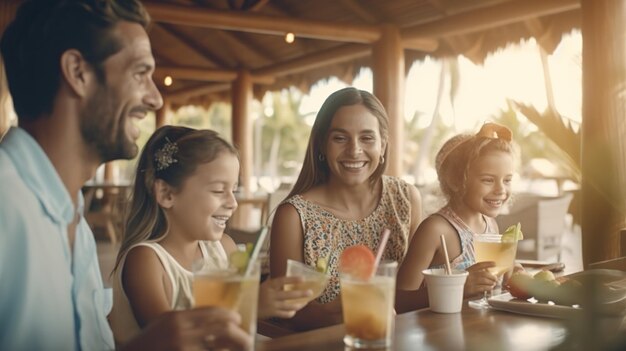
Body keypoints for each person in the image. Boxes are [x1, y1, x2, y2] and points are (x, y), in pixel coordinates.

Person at [0, 1, 250, 350]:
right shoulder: (7, 209)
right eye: (139, 73)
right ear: (77, 72)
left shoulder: (75, 222)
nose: (155, 98)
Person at [109, 125, 311, 345]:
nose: (233, 203)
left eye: (233, 190)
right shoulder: (146, 261)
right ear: (166, 194)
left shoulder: (224, 248)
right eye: (218, 191)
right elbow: (170, 342)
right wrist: (250, 306)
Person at [269, 87, 423, 331]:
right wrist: (333, 315)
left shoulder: (405, 198)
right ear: (321, 145)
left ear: (383, 145)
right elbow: (284, 311)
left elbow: (412, 290)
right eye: (340, 138)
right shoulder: (293, 215)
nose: (354, 150)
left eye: (367, 138)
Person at [396, 122, 517, 311]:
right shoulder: (436, 230)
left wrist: (511, 276)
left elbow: (494, 291)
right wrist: (458, 286)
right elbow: (398, 300)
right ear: (455, 180)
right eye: (488, 180)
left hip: (479, 333)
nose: (501, 189)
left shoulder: (491, 225)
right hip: (440, 335)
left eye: (507, 180)